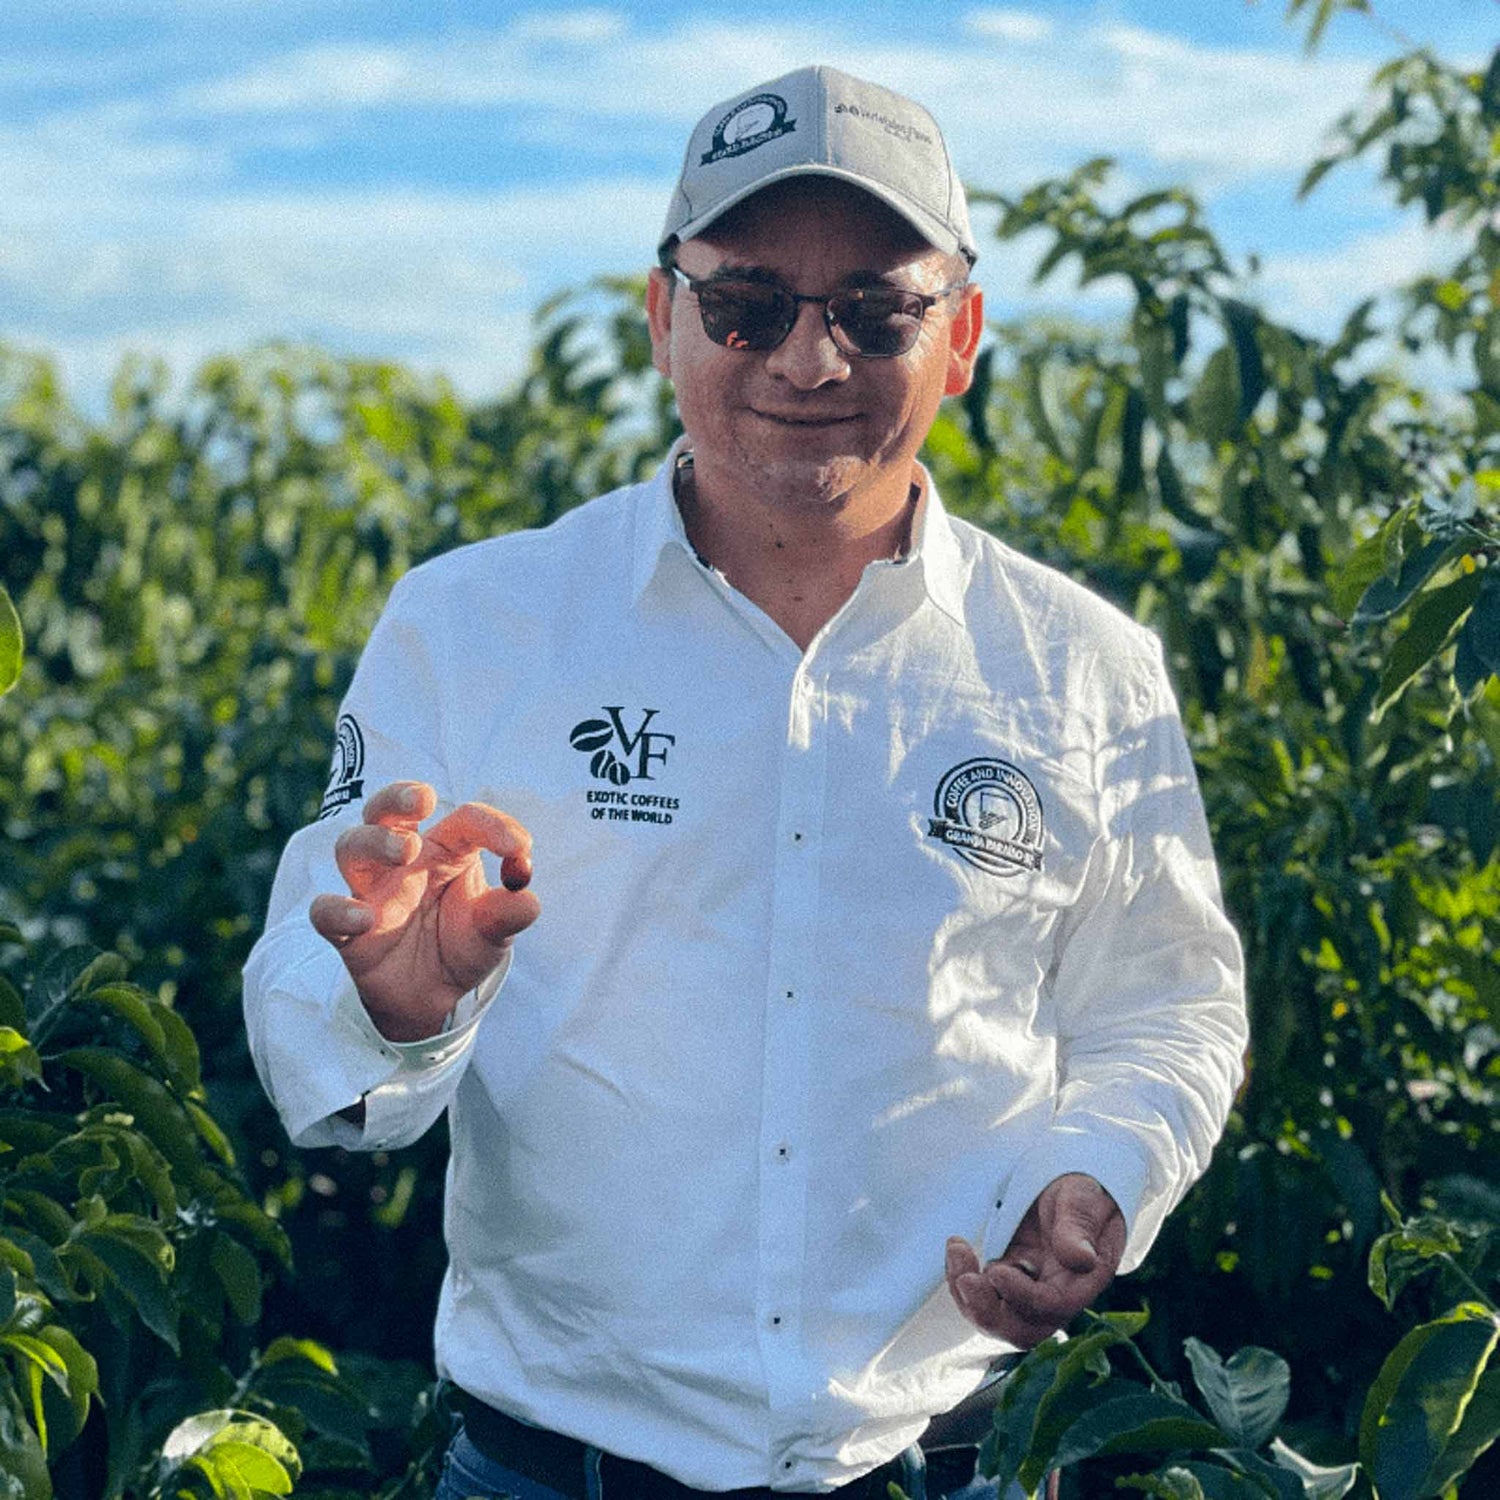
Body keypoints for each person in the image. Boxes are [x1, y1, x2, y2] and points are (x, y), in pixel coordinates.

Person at [244, 65, 1247, 1500]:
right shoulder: (474, 626)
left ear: (959, 337)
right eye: (748, 307)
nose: (808, 362)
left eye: (874, 314)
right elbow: (306, 1026)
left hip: (942, 1462)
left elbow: (1168, 1005)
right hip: (554, 1467)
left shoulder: (1086, 668)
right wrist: (390, 1010)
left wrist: (1099, 1176)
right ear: (663, 319)